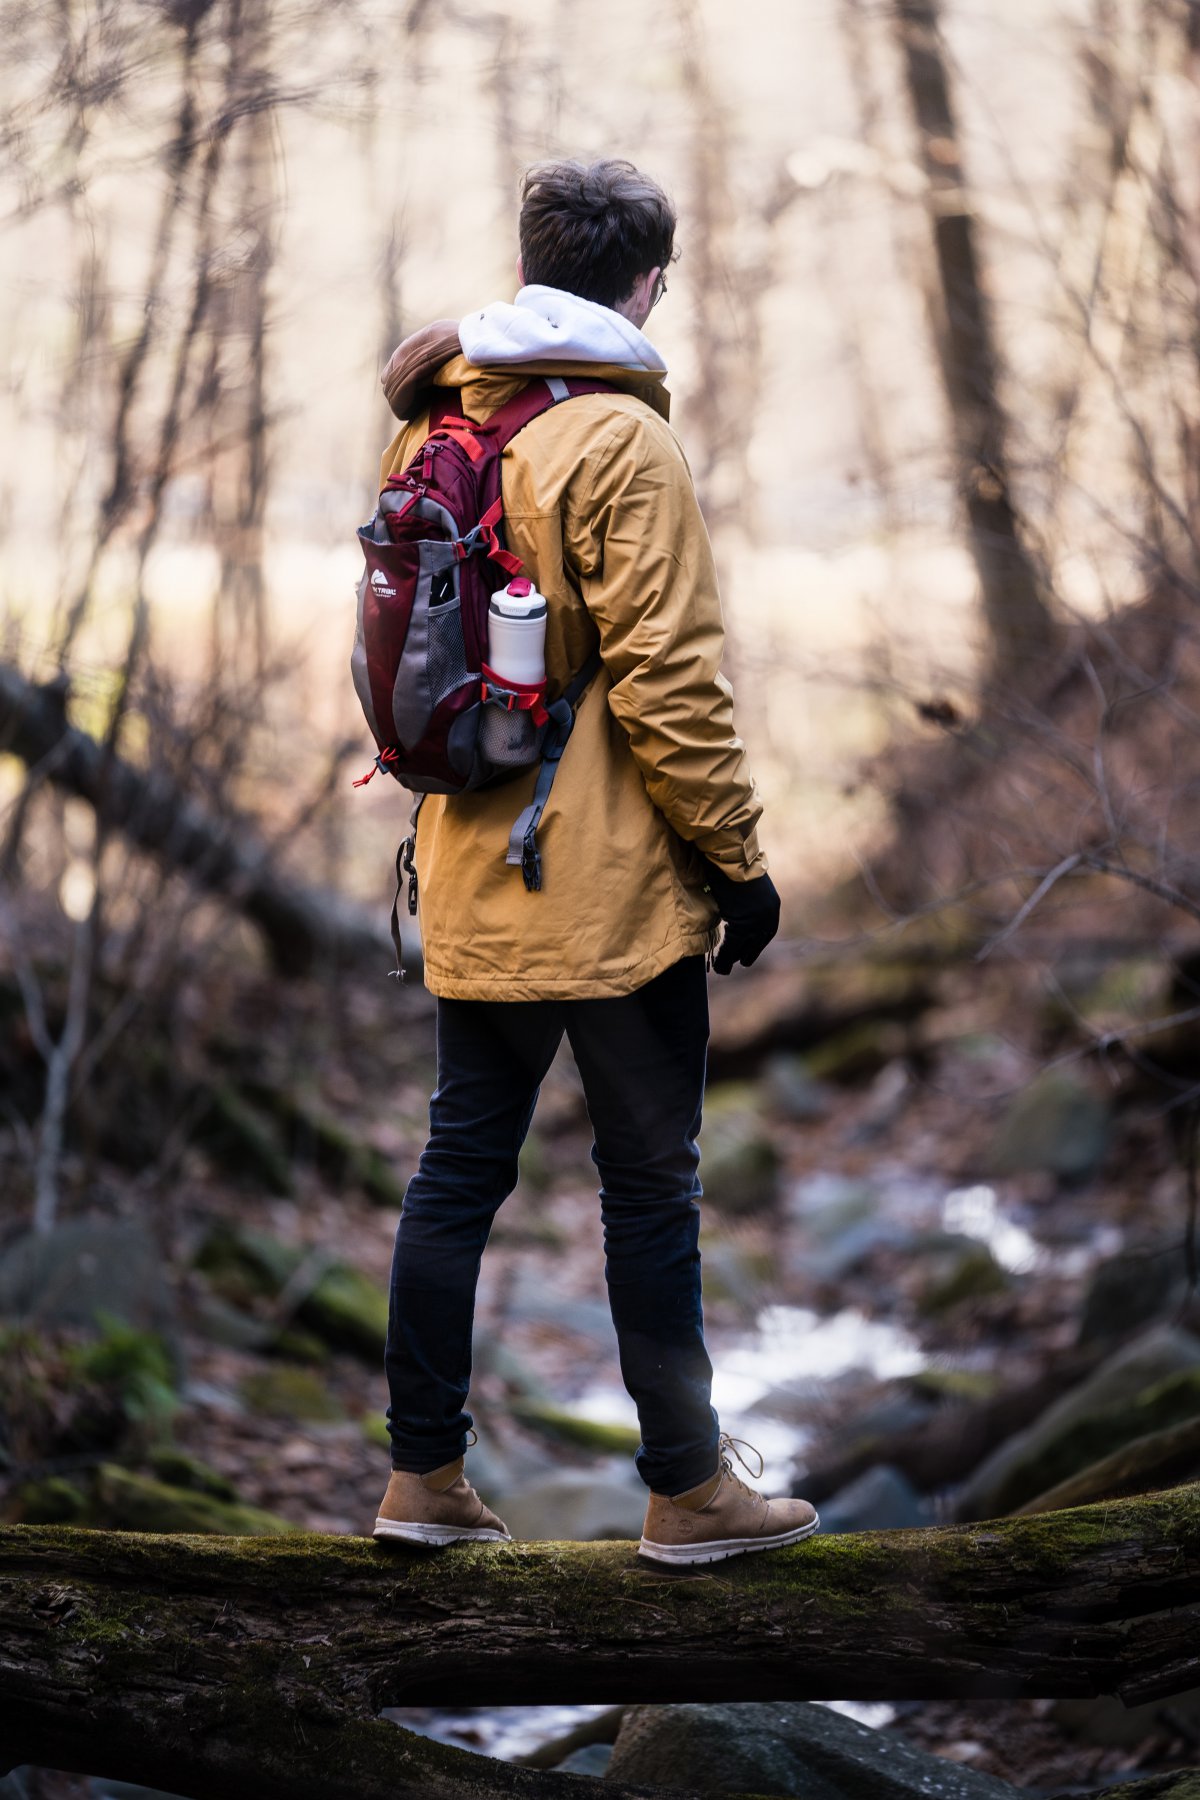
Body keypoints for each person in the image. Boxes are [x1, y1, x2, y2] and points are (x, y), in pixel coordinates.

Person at [369, 158, 819, 1565]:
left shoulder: (440, 425)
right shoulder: (622, 441)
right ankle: (688, 1489)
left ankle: (421, 1483)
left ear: (530, 266)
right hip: (613, 892)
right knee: (648, 1187)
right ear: (647, 283)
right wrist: (739, 869)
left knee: (456, 1173)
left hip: (468, 867)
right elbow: (672, 688)